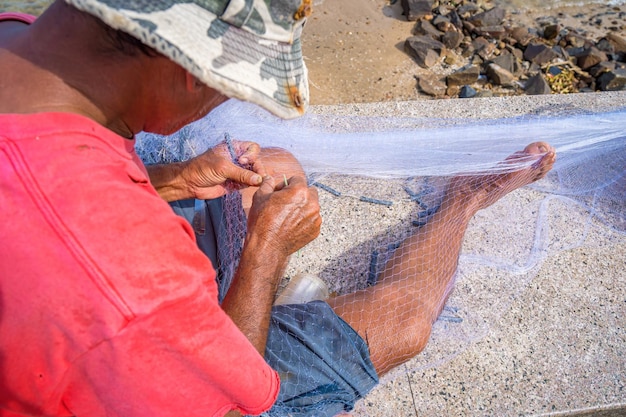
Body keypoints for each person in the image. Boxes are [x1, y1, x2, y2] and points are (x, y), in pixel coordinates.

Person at [0, 1, 556, 416]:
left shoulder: (21, 42)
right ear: (192, 70)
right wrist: (266, 253)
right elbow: (230, 402)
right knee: (406, 324)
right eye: (232, 85)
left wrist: (174, 180)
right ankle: (462, 200)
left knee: (276, 165)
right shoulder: (126, 284)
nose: (232, 101)